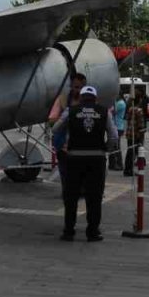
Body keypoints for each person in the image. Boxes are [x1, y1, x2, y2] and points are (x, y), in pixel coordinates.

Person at [53, 85, 118, 241]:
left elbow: (56, 128)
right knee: (94, 196)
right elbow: (114, 135)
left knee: (71, 196)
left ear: (81, 97)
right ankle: (93, 232)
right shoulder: (104, 112)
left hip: (74, 158)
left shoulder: (71, 111)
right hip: (96, 159)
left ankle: (69, 231)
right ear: (95, 98)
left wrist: (66, 141)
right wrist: (105, 149)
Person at [49, 73, 86, 182]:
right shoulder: (62, 99)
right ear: (71, 86)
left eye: (82, 87)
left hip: (83, 147)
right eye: (76, 87)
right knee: (66, 174)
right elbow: (51, 121)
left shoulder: (90, 101)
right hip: (64, 147)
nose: (79, 90)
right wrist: (64, 120)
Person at [124, 89, 148, 176]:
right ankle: (130, 170)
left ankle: (127, 169)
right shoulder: (139, 111)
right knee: (135, 152)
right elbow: (141, 126)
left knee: (129, 152)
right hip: (137, 134)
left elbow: (127, 119)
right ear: (140, 99)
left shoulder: (130, 109)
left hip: (130, 133)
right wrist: (142, 136)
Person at [112, 93, 128, 172]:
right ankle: (113, 163)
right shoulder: (117, 102)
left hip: (118, 126)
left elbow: (113, 111)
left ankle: (119, 164)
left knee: (117, 146)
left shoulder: (121, 103)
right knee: (113, 146)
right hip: (115, 125)